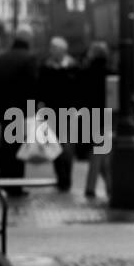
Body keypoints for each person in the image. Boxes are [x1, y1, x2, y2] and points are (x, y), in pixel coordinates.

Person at [0, 26, 39, 187]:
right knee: (17, 146)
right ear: (28, 40)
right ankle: (16, 183)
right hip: (21, 109)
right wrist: (32, 111)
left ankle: (3, 177)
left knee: (6, 143)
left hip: (4, 109)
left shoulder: (2, 58)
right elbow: (31, 87)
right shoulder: (29, 58)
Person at [39, 35, 78, 190]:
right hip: (51, 112)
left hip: (69, 112)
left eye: (54, 48)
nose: (52, 51)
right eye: (51, 48)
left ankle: (66, 176)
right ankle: (60, 176)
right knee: (54, 146)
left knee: (67, 147)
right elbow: (41, 89)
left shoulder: (73, 67)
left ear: (62, 50)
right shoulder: (46, 67)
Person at [81, 41, 113, 197]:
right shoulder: (111, 73)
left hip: (89, 117)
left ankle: (95, 186)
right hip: (106, 117)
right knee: (101, 152)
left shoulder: (85, 73)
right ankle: (103, 186)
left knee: (98, 152)